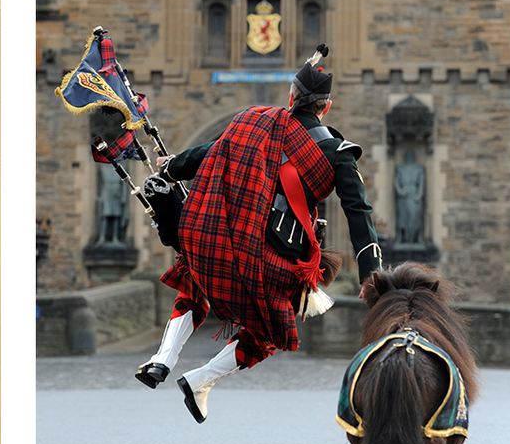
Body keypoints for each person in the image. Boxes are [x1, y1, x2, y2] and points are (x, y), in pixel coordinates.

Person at [135, 45, 382, 423]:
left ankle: (162, 358)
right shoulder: (339, 153)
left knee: (194, 278)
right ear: (325, 108)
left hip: (213, 233)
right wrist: (370, 275)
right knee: (270, 330)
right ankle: (201, 379)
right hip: (269, 260)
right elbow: (358, 213)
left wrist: (172, 168)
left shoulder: (256, 120)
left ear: (291, 98)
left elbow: (213, 150)